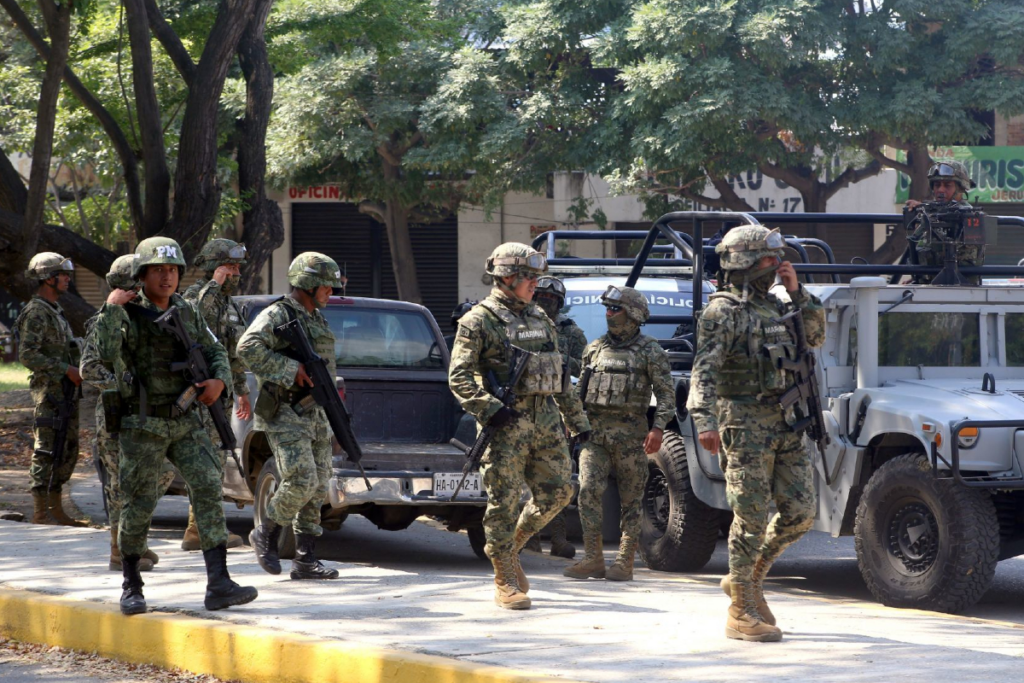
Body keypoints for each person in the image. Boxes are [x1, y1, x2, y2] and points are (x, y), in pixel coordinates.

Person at [93, 236, 257, 615]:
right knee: (139, 502)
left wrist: (219, 380)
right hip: (143, 424)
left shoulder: (186, 308)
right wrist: (112, 310)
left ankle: (219, 582)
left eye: (172, 270)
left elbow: (215, 348)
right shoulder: (126, 312)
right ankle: (131, 584)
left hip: (185, 421)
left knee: (207, 487)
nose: (166, 277)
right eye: (158, 270)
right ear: (142, 275)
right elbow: (104, 355)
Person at [686, 225, 824, 642]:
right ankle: (741, 609)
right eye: (768, 259)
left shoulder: (775, 306)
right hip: (743, 424)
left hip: (786, 421)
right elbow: (704, 369)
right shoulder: (722, 311)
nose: (775, 265)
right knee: (749, 517)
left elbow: (815, 336)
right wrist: (703, 420)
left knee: (801, 514)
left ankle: (746, 578)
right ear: (744, 263)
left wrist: (796, 291)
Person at [448, 242, 591, 610]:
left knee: (559, 493)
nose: (535, 285)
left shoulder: (540, 319)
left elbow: (559, 376)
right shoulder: (478, 320)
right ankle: (505, 579)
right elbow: (459, 377)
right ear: (507, 278)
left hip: (545, 422)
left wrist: (578, 423)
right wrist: (490, 408)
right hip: (505, 427)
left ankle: (512, 546)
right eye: (529, 278)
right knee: (504, 504)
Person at [240, 252, 345, 581]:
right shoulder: (278, 313)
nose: (331, 291)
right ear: (309, 284)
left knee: (318, 485)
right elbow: (247, 348)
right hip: (284, 412)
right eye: (327, 286)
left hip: (315, 414)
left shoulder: (316, 318)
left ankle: (305, 559)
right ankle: (265, 533)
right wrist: (289, 369)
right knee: (301, 478)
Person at [563, 286, 674, 582]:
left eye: (616, 309)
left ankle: (625, 561)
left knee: (631, 500)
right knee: (587, 492)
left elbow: (666, 395)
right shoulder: (595, 347)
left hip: (630, 437)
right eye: (608, 308)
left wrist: (658, 428)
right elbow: (579, 390)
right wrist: (572, 420)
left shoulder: (651, 351)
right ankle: (592, 558)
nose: (609, 314)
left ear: (634, 314)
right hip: (594, 435)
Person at [80, 254, 175, 572]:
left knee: (161, 472)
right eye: (138, 282)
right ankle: (120, 552)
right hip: (116, 415)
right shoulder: (104, 320)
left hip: (150, 414)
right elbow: (88, 368)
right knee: (122, 483)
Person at [181, 238, 251, 551]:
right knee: (203, 462)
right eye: (231, 267)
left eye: (237, 268)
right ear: (215, 267)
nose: (236, 273)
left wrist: (242, 391)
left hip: (222, 394)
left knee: (215, 462)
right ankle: (201, 530)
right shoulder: (195, 295)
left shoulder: (230, 306)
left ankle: (200, 528)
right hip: (198, 394)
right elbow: (193, 321)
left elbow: (234, 353)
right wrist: (214, 284)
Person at [14, 252, 87, 526]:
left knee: (65, 449)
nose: (68, 279)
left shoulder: (54, 310)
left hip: (66, 392)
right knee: (47, 449)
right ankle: (41, 512)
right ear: (48, 278)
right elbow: (27, 355)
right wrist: (65, 370)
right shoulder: (36, 311)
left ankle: (56, 508)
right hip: (49, 392)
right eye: (63, 275)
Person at [529, 275, 587, 559]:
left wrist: (563, 362)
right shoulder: (521, 325)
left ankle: (558, 539)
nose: (545, 302)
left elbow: (585, 367)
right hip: (525, 406)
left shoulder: (571, 332)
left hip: (558, 409)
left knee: (558, 477)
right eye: (540, 297)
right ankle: (529, 537)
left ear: (559, 303)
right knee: (524, 477)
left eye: (551, 299)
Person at [905, 160, 982, 280]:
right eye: (937, 185)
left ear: (961, 189)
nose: (940, 190)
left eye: (947, 185)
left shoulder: (967, 215)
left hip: (960, 288)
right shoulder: (930, 212)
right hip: (929, 285)